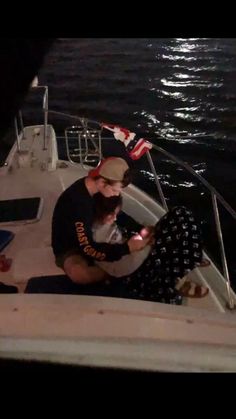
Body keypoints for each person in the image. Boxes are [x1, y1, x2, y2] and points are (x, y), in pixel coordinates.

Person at [92, 193, 209, 305]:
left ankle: (185, 254)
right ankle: (177, 276)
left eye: (116, 213)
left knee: (180, 212)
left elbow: (123, 226)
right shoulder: (95, 238)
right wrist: (147, 246)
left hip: (135, 246)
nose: (115, 217)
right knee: (179, 232)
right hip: (131, 268)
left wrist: (142, 233)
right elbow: (119, 268)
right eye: (112, 214)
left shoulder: (107, 218)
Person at [51, 157, 151, 285]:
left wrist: (139, 228)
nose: (116, 195)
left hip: (93, 234)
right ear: (103, 182)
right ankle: (115, 275)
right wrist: (127, 248)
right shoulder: (78, 203)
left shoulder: (99, 189)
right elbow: (88, 248)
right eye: (115, 190)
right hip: (72, 247)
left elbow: (115, 213)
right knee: (79, 274)